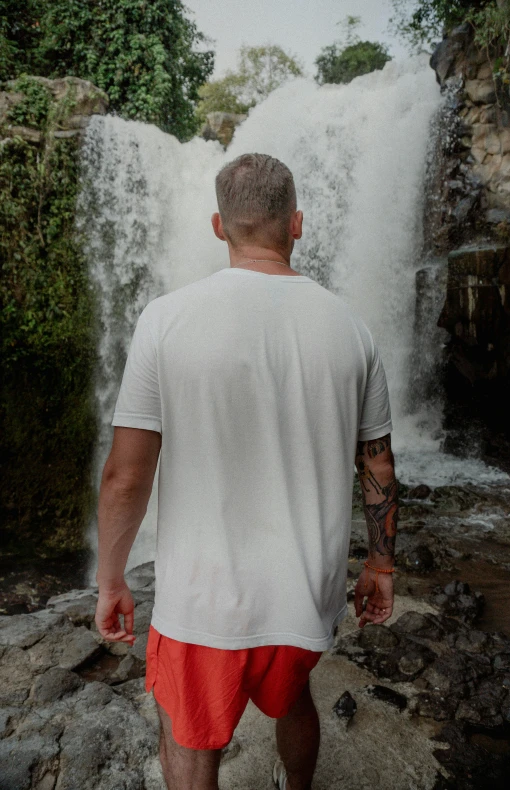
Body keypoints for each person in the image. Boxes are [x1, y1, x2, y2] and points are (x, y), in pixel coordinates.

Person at [94, 153, 398, 790]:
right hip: (305, 596)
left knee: (189, 736)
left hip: (204, 601)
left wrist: (111, 578)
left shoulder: (166, 319)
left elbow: (126, 474)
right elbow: (377, 463)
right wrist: (380, 566)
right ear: (297, 223)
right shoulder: (353, 328)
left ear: (216, 225)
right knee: (294, 699)